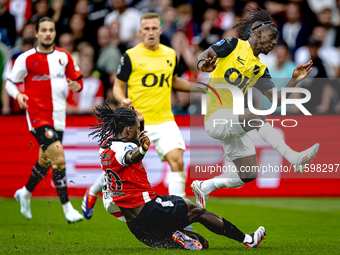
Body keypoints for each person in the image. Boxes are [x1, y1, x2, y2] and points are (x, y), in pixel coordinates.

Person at [89, 101, 267, 250]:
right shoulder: (125, 149)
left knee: (202, 244)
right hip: (149, 209)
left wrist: (140, 123)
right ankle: (248, 239)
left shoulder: (105, 146)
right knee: (197, 210)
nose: (138, 131)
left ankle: (176, 234)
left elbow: (130, 143)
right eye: (135, 128)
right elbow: (130, 156)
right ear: (128, 130)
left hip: (137, 228)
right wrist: (142, 149)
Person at [191, 7, 319, 208]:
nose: (274, 42)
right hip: (217, 117)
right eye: (271, 37)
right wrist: (202, 65)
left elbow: (276, 100)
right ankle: (294, 158)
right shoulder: (233, 45)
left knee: (248, 174)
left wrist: (294, 80)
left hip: (233, 121)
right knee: (256, 116)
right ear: (257, 33)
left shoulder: (260, 69)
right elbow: (205, 54)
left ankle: (205, 186)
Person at [82, 12, 196, 219]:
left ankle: (179, 215)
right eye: (147, 29)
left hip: (164, 119)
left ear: (160, 30)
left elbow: (173, 80)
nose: (151, 32)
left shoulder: (170, 54)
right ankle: (93, 191)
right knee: (121, 164)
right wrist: (122, 99)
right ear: (141, 31)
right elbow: (118, 87)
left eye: (155, 28)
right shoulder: (130, 56)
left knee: (177, 161)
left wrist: (200, 88)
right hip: (136, 122)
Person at [5, 17, 84, 223]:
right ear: (37, 33)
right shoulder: (26, 58)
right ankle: (67, 209)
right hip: (38, 115)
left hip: (59, 116)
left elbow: (76, 79)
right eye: (44, 30)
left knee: (45, 161)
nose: (48, 33)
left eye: (51, 30)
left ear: (54, 33)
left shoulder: (64, 56)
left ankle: (25, 192)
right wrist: (18, 95)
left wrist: (78, 85)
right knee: (59, 159)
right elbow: (10, 83)